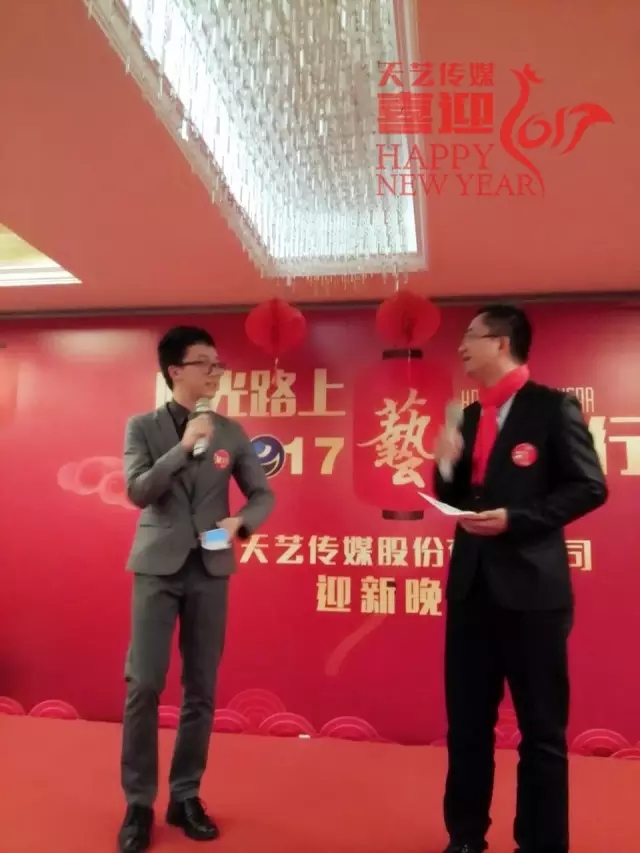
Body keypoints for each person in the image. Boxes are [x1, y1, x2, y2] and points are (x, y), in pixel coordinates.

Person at [433, 304, 608, 853]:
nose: (460, 346)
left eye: (470, 335)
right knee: (467, 727)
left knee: (542, 732)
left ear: (502, 343)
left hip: (533, 594)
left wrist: (516, 519)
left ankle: (540, 843)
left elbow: (590, 487)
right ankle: (465, 837)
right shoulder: (468, 416)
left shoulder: (552, 408)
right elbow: (454, 498)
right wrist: (444, 463)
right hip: (472, 590)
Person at [117, 326, 274, 853]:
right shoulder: (143, 427)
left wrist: (240, 524)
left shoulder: (232, 432)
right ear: (175, 371)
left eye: (217, 363)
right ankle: (139, 803)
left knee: (201, 688)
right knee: (144, 684)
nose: (215, 371)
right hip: (157, 568)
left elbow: (262, 494)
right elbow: (139, 490)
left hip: (211, 567)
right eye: (205, 362)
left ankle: (185, 795)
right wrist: (183, 449)